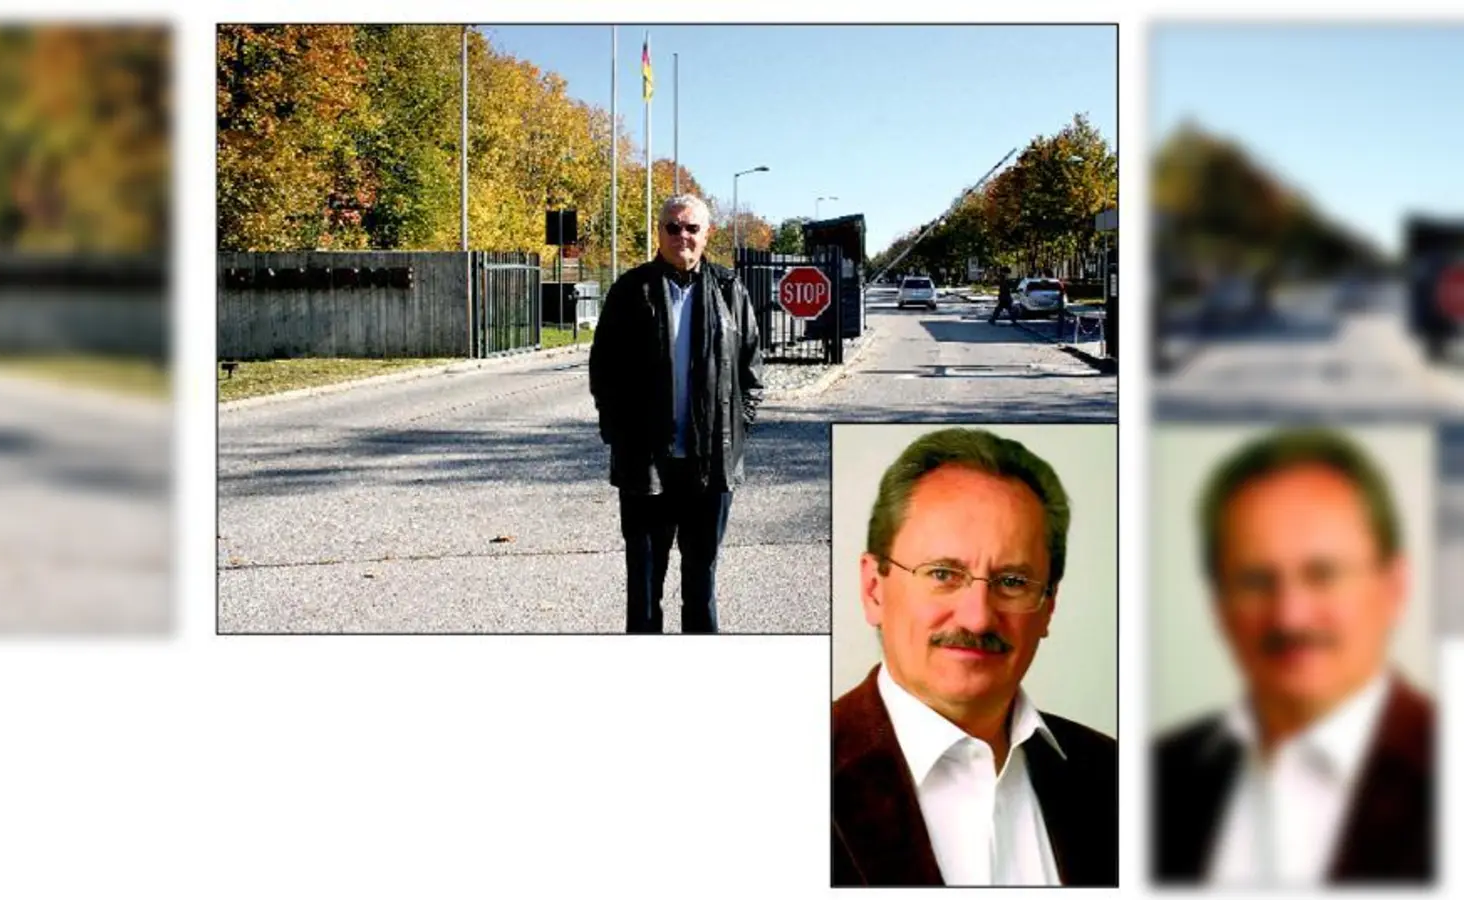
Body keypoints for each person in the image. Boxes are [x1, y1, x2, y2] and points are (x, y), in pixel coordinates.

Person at [832, 428, 1117, 886]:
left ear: (1049, 607)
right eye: (943, 573)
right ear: (874, 589)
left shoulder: (1117, 780)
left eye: (1012, 582)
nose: (978, 618)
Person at [1154, 429, 1434, 885]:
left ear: (1393, 587)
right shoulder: (1153, 780)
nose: (1290, 616)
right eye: (1256, 580)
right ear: (1220, 605)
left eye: (1322, 574)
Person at [588, 194, 764, 634]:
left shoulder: (728, 289)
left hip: (711, 466)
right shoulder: (631, 290)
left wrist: (736, 429)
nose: (681, 236)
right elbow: (603, 371)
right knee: (644, 589)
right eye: (672, 227)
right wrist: (620, 435)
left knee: (701, 585)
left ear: (707, 234)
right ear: (659, 232)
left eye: (691, 228)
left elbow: (751, 370)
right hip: (647, 465)